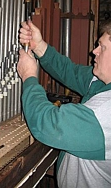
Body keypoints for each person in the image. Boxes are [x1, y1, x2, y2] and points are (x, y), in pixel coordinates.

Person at [17, 19, 111, 188]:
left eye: (102, 47)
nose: (94, 51)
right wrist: (38, 45)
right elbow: (70, 72)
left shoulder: (104, 114)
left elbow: (48, 124)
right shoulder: (101, 82)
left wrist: (29, 76)